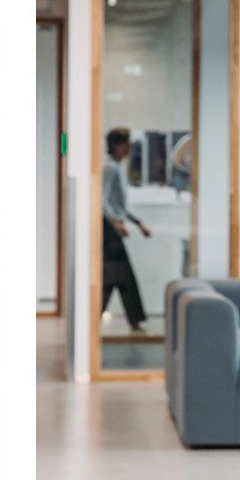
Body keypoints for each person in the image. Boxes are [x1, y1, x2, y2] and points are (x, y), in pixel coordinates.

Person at [101, 127, 150, 332]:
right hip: (109, 229)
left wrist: (138, 223)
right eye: (126, 143)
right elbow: (102, 200)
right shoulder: (110, 168)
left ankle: (94, 317)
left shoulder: (119, 168)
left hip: (114, 226)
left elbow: (120, 206)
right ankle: (134, 321)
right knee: (121, 275)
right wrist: (115, 222)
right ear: (116, 145)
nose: (129, 147)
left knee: (115, 276)